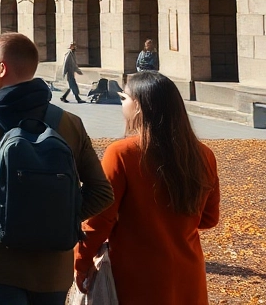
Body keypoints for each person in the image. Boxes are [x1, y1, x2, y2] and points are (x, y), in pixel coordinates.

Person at [0, 33, 112, 305]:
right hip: (52, 268)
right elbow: (102, 193)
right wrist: (62, 215)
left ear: (2, 69)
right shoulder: (69, 122)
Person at [74, 71, 219, 304]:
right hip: (188, 274)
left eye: (124, 98)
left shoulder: (122, 153)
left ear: (139, 106)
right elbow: (209, 219)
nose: (121, 104)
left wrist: (81, 261)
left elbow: (101, 218)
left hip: (135, 276)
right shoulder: (204, 155)